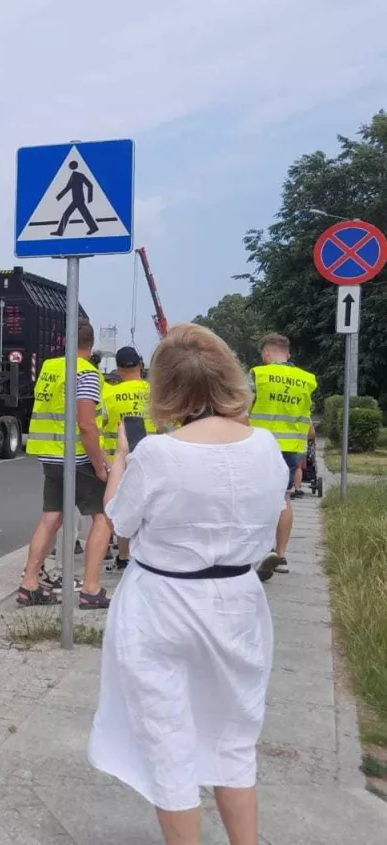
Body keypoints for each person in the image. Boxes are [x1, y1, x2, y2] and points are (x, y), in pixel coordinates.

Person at [89, 323, 288, 845]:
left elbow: (121, 521)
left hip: (162, 604)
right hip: (239, 602)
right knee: (234, 738)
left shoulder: (159, 454)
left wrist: (123, 460)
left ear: (167, 388)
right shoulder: (266, 447)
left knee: (168, 741)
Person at [17, 321, 111, 609]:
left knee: (52, 517)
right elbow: (86, 424)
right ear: (90, 345)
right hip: (78, 457)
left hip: (50, 455)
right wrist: (100, 466)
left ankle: (29, 584)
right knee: (104, 517)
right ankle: (91, 589)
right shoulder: (87, 373)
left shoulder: (49, 368)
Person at [249, 333, 317, 581]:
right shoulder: (307, 379)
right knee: (285, 497)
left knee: (256, 497)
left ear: (265, 354)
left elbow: (242, 406)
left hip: (260, 446)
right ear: (287, 354)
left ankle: (259, 550)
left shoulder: (258, 374)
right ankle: (282, 555)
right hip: (291, 448)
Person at [99, 346, 154, 570]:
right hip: (152, 460)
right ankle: (147, 554)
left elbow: (98, 429)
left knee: (122, 508)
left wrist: (103, 461)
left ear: (118, 369)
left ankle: (123, 555)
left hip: (118, 462)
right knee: (151, 508)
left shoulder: (108, 394)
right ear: (140, 365)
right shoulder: (156, 393)